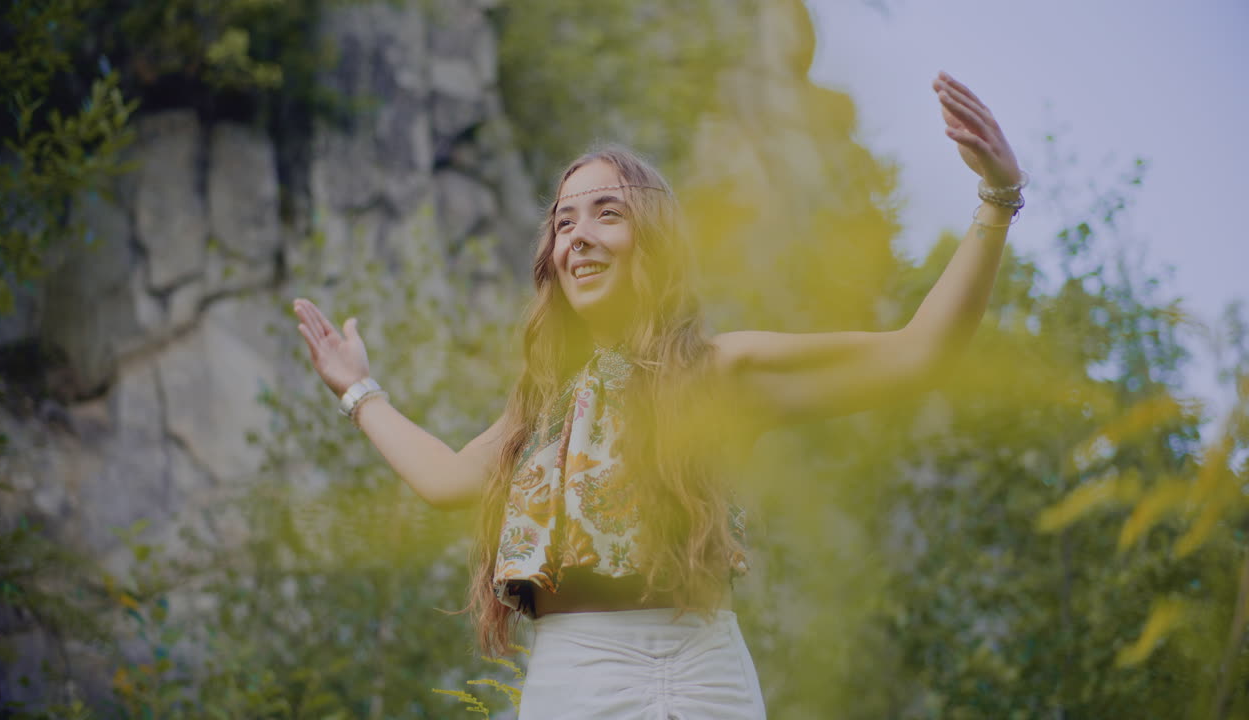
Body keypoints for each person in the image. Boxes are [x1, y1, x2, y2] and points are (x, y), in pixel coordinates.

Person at [292, 70, 1024, 718]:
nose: (578, 236)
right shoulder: (544, 403)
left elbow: (918, 353)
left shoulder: (720, 371)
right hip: (575, 680)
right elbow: (447, 480)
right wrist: (359, 387)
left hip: (706, 677)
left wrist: (996, 199)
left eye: (607, 213)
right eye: (564, 221)